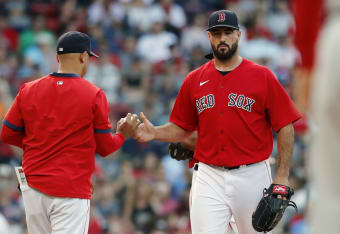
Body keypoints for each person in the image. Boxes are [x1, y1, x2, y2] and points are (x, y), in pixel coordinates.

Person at [135, 10, 301, 234]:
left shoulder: (262, 76)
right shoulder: (194, 79)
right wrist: (155, 132)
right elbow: (182, 128)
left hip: (252, 174)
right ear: (209, 37)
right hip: (208, 175)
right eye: (217, 33)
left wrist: (282, 177)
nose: (222, 38)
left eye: (228, 32)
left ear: (239, 35)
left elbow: (285, 125)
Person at [0, 31, 140, 234]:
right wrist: (122, 135)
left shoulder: (28, 89)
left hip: (33, 186)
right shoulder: (94, 94)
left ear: (57, 57)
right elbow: (105, 148)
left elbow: (6, 134)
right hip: (70, 188)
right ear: (84, 56)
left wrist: (42, 144)